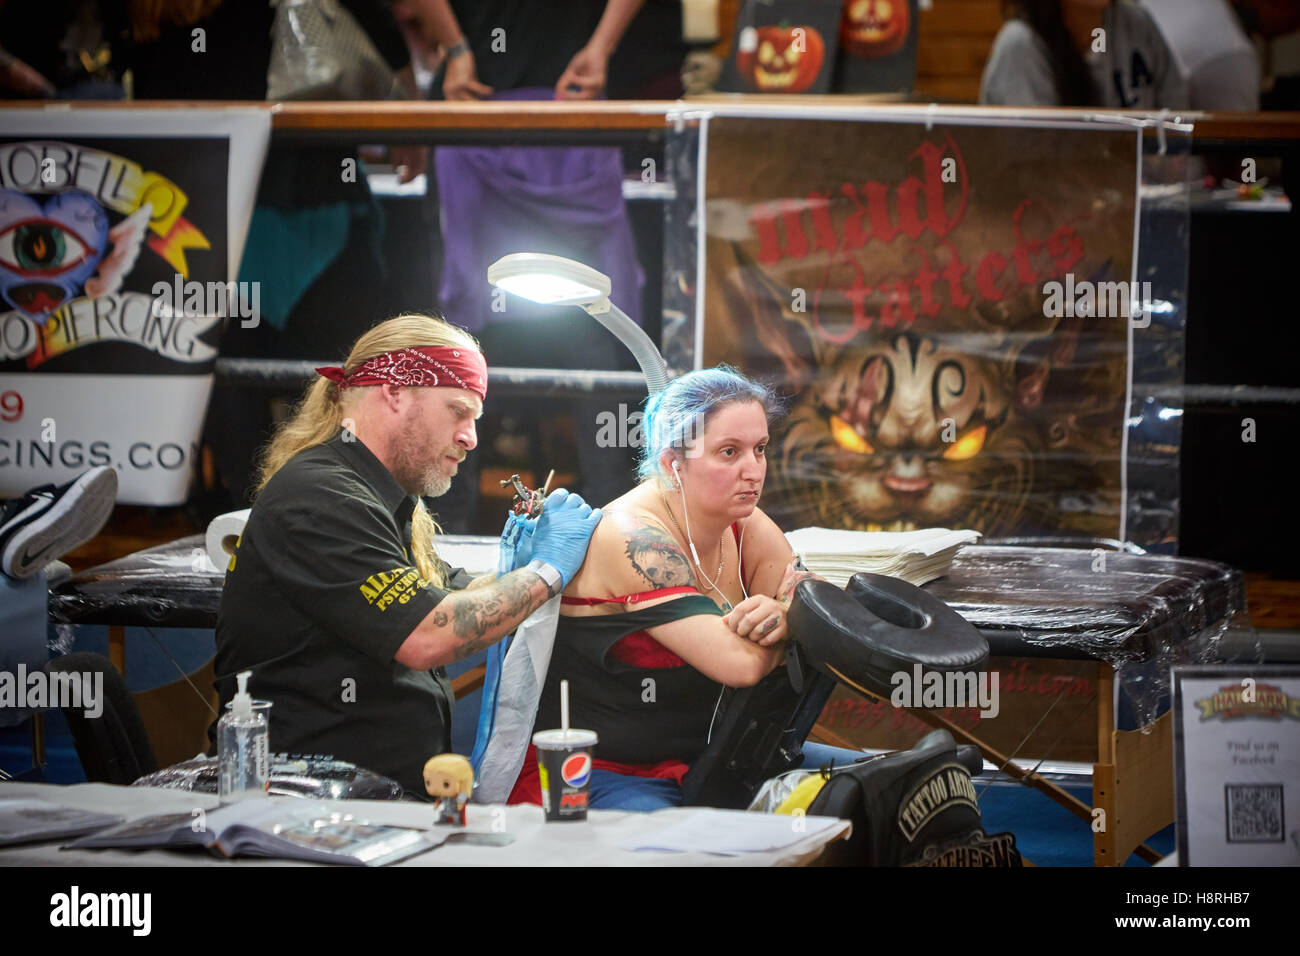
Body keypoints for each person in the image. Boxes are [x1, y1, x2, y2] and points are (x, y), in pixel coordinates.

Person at [212, 313, 601, 797]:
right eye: (458, 411)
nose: (471, 437)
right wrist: (545, 572)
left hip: (373, 796)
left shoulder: (381, 498)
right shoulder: (322, 495)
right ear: (395, 392)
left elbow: (444, 594)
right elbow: (427, 634)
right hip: (309, 804)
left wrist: (518, 567)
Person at [508, 367, 845, 811]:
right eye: (729, 452)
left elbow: (819, 607)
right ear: (673, 464)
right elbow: (740, 665)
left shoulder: (742, 521)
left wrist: (786, 615)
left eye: (760, 449)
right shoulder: (632, 536)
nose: (753, 471)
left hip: (719, 758)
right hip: (598, 770)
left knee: (878, 786)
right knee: (697, 846)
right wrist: (793, 628)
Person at [980, 0, 1188, 108]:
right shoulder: (1021, 46)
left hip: (1145, 178)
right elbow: (1035, 161)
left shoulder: (1136, 22)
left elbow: (1178, 113)